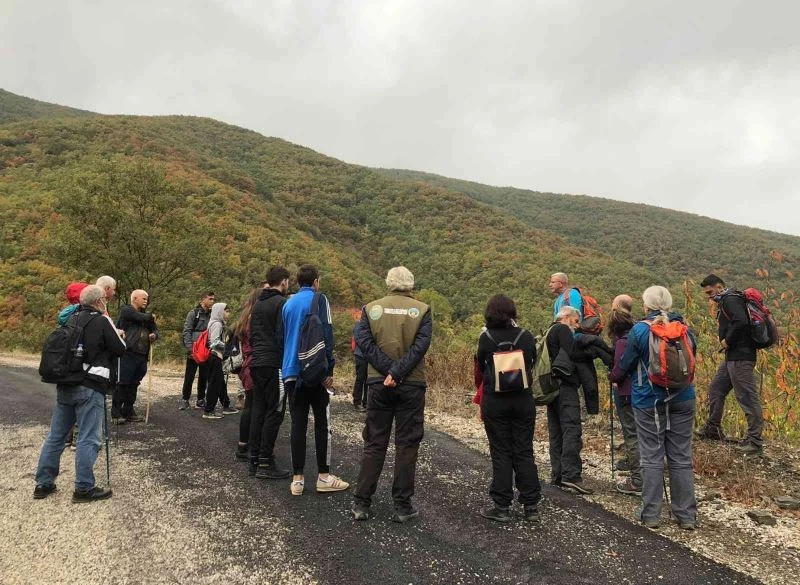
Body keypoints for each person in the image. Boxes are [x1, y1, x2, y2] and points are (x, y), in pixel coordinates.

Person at [352, 266, 432, 522]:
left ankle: (362, 503)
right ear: (410, 284)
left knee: (375, 442)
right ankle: (402, 506)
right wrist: (398, 372)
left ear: (388, 283)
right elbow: (421, 347)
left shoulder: (370, 309)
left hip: (378, 383)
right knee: (407, 444)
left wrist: (388, 371)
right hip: (412, 384)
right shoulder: (423, 310)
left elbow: (364, 343)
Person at [33, 285, 127, 502]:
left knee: (56, 436)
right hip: (90, 385)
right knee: (88, 437)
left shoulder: (70, 318)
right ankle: (83, 488)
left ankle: (43, 484)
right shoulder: (102, 320)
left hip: (65, 383)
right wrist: (119, 335)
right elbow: (120, 348)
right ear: (99, 301)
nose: (106, 301)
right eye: (104, 299)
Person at [620, 285, 697, 530]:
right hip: (684, 397)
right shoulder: (686, 330)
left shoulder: (640, 330)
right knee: (681, 455)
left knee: (652, 454)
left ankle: (651, 514)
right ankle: (686, 516)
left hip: (648, 400)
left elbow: (627, 363)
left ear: (647, 306)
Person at [278, 264, 349, 495]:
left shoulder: (287, 304)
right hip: (315, 371)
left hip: (290, 371)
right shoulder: (321, 300)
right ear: (316, 281)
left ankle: (297, 480)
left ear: (298, 282)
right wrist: (329, 370)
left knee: (298, 424)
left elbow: (281, 337)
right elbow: (326, 333)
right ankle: (324, 476)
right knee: (322, 422)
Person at [476, 294, 541, 522]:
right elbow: (532, 361)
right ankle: (530, 506)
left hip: (496, 401)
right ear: (512, 312)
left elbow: (482, 364)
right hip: (523, 400)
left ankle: (502, 506)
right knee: (524, 450)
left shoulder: (486, 338)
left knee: (501, 451)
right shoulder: (525, 336)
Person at [696, 274, 763, 455]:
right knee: (716, 389)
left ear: (719, 286)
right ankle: (712, 429)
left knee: (747, 397)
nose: (709, 295)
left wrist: (727, 340)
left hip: (741, 357)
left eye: (710, 291)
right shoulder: (727, 299)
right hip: (732, 357)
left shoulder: (730, 299)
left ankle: (755, 442)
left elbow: (741, 321)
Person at [248, 267, 292, 479]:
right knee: (275, 411)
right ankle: (266, 462)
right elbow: (284, 336)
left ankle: (254, 459)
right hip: (274, 363)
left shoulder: (257, 304)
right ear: (283, 281)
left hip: (256, 362)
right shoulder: (281, 304)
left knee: (259, 409)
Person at [545, 306, 593, 494]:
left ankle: (557, 474)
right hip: (566, 387)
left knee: (556, 430)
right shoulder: (563, 329)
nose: (577, 324)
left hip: (552, 387)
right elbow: (573, 352)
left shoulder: (549, 330)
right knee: (571, 428)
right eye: (576, 320)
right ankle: (571, 476)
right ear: (566, 317)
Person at [548, 272, 598, 418]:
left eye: (552, 281)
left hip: (575, 342)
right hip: (565, 344)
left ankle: (586, 411)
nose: (550, 284)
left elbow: (576, 318)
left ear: (561, 283)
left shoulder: (572, 295)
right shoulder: (558, 300)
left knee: (582, 375)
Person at [607, 302, 642, 496]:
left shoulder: (622, 342)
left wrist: (611, 377)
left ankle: (638, 480)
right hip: (643, 391)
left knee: (632, 434)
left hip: (626, 393)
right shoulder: (640, 337)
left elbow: (620, 369)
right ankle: (646, 476)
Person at [114, 289, 159, 424]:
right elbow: (142, 318)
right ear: (134, 298)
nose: (146, 301)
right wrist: (151, 317)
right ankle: (116, 413)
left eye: (147, 299)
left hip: (142, 354)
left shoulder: (146, 316)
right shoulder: (126, 311)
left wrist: (154, 335)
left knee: (134, 384)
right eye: (143, 298)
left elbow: (155, 329)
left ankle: (128, 411)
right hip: (127, 353)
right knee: (122, 383)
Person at [180, 291, 215, 410]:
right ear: (203, 299)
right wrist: (190, 349)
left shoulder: (212, 314)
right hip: (194, 350)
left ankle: (200, 399)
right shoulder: (193, 313)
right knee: (189, 375)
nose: (212, 301)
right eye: (210, 299)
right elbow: (187, 331)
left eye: (213, 299)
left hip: (206, 350)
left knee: (204, 376)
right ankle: (185, 399)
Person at [203, 302, 238, 419]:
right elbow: (214, 342)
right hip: (214, 356)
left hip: (214, 356)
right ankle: (208, 410)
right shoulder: (217, 324)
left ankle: (225, 404)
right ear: (219, 311)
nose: (228, 314)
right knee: (214, 383)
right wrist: (227, 347)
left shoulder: (216, 323)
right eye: (226, 311)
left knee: (219, 382)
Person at [351, 315, 368, 412]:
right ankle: (357, 402)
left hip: (369, 356)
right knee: (360, 378)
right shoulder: (358, 325)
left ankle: (366, 402)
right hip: (360, 355)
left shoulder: (371, 324)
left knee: (368, 380)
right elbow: (358, 339)